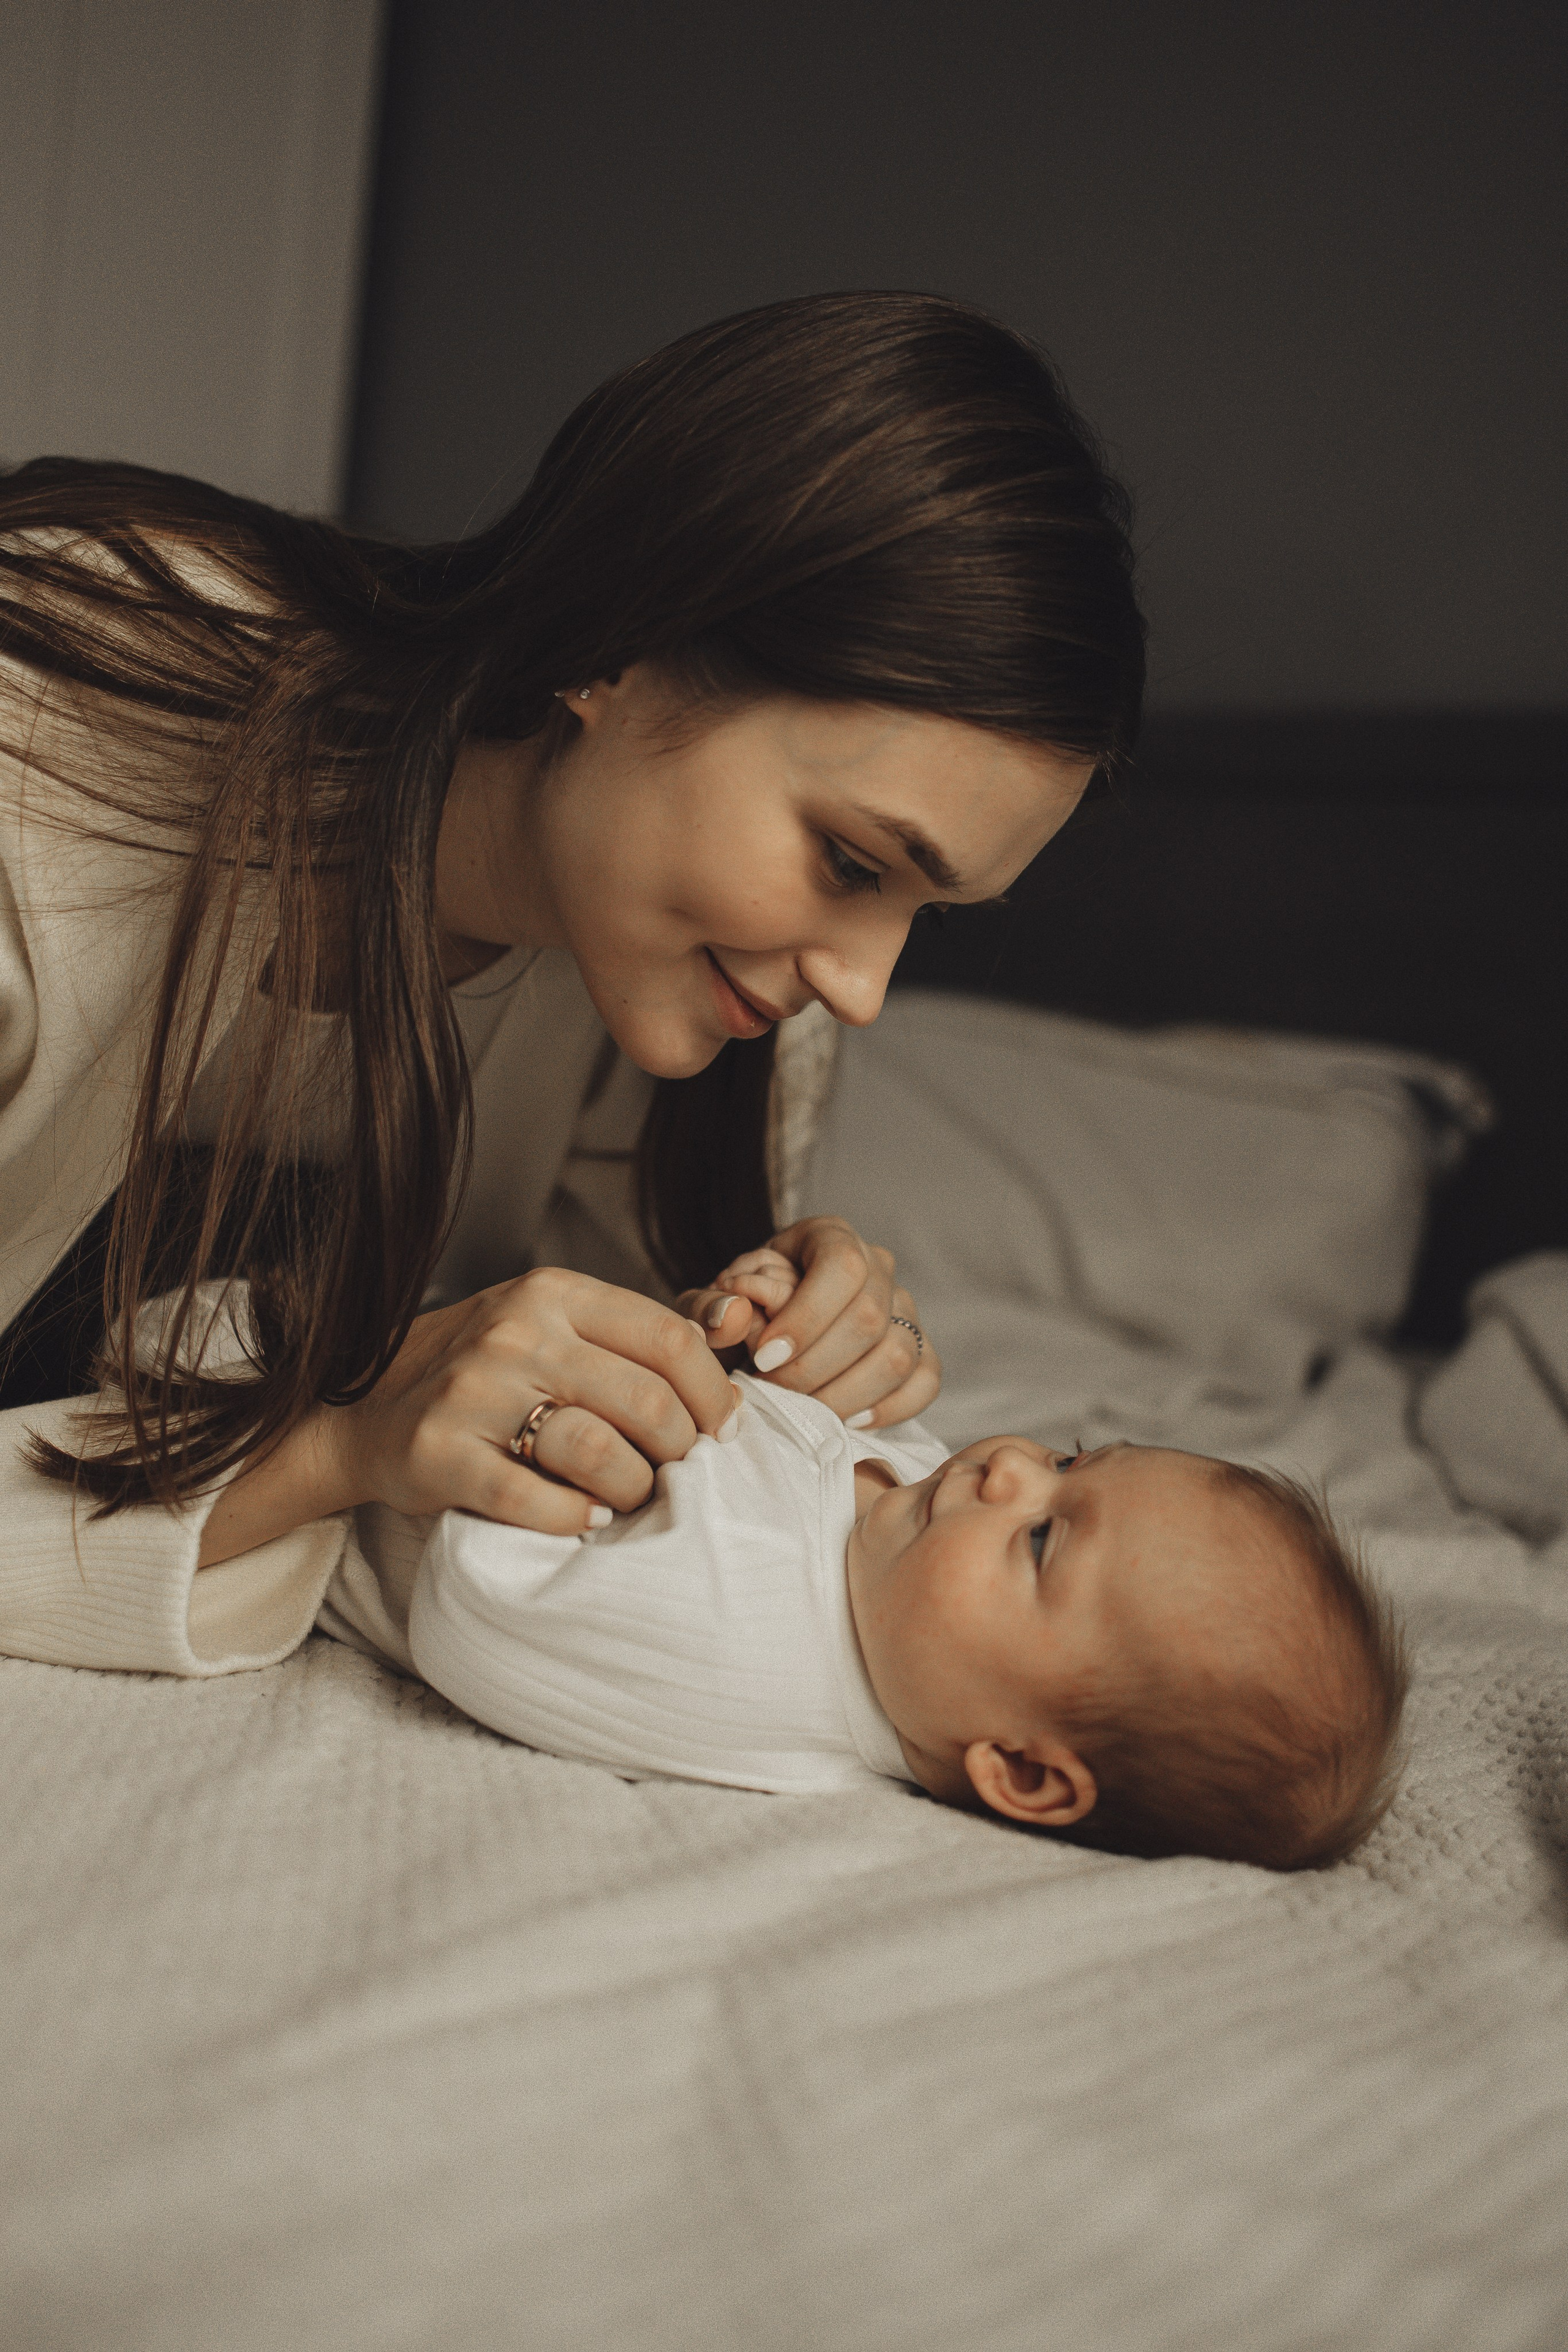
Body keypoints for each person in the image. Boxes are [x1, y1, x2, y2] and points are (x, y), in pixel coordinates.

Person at [0, 291, 1143, 1680]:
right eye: (848, 861)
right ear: (612, 647)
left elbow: (554, 1446)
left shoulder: (683, 996)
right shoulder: (46, 752)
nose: (860, 991)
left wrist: (749, 1325)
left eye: (931, 913)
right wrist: (335, 1453)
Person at [351, 1251, 1409, 1869]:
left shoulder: (753, 1651)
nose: (1007, 1471)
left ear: (1025, 1771)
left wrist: (606, 1424)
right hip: (406, 1323)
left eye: (1042, 1539)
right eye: (1068, 1460)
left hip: (299, 1431)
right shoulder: (905, 1530)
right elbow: (755, 1415)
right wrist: (733, 1325)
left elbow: (479, 1614)